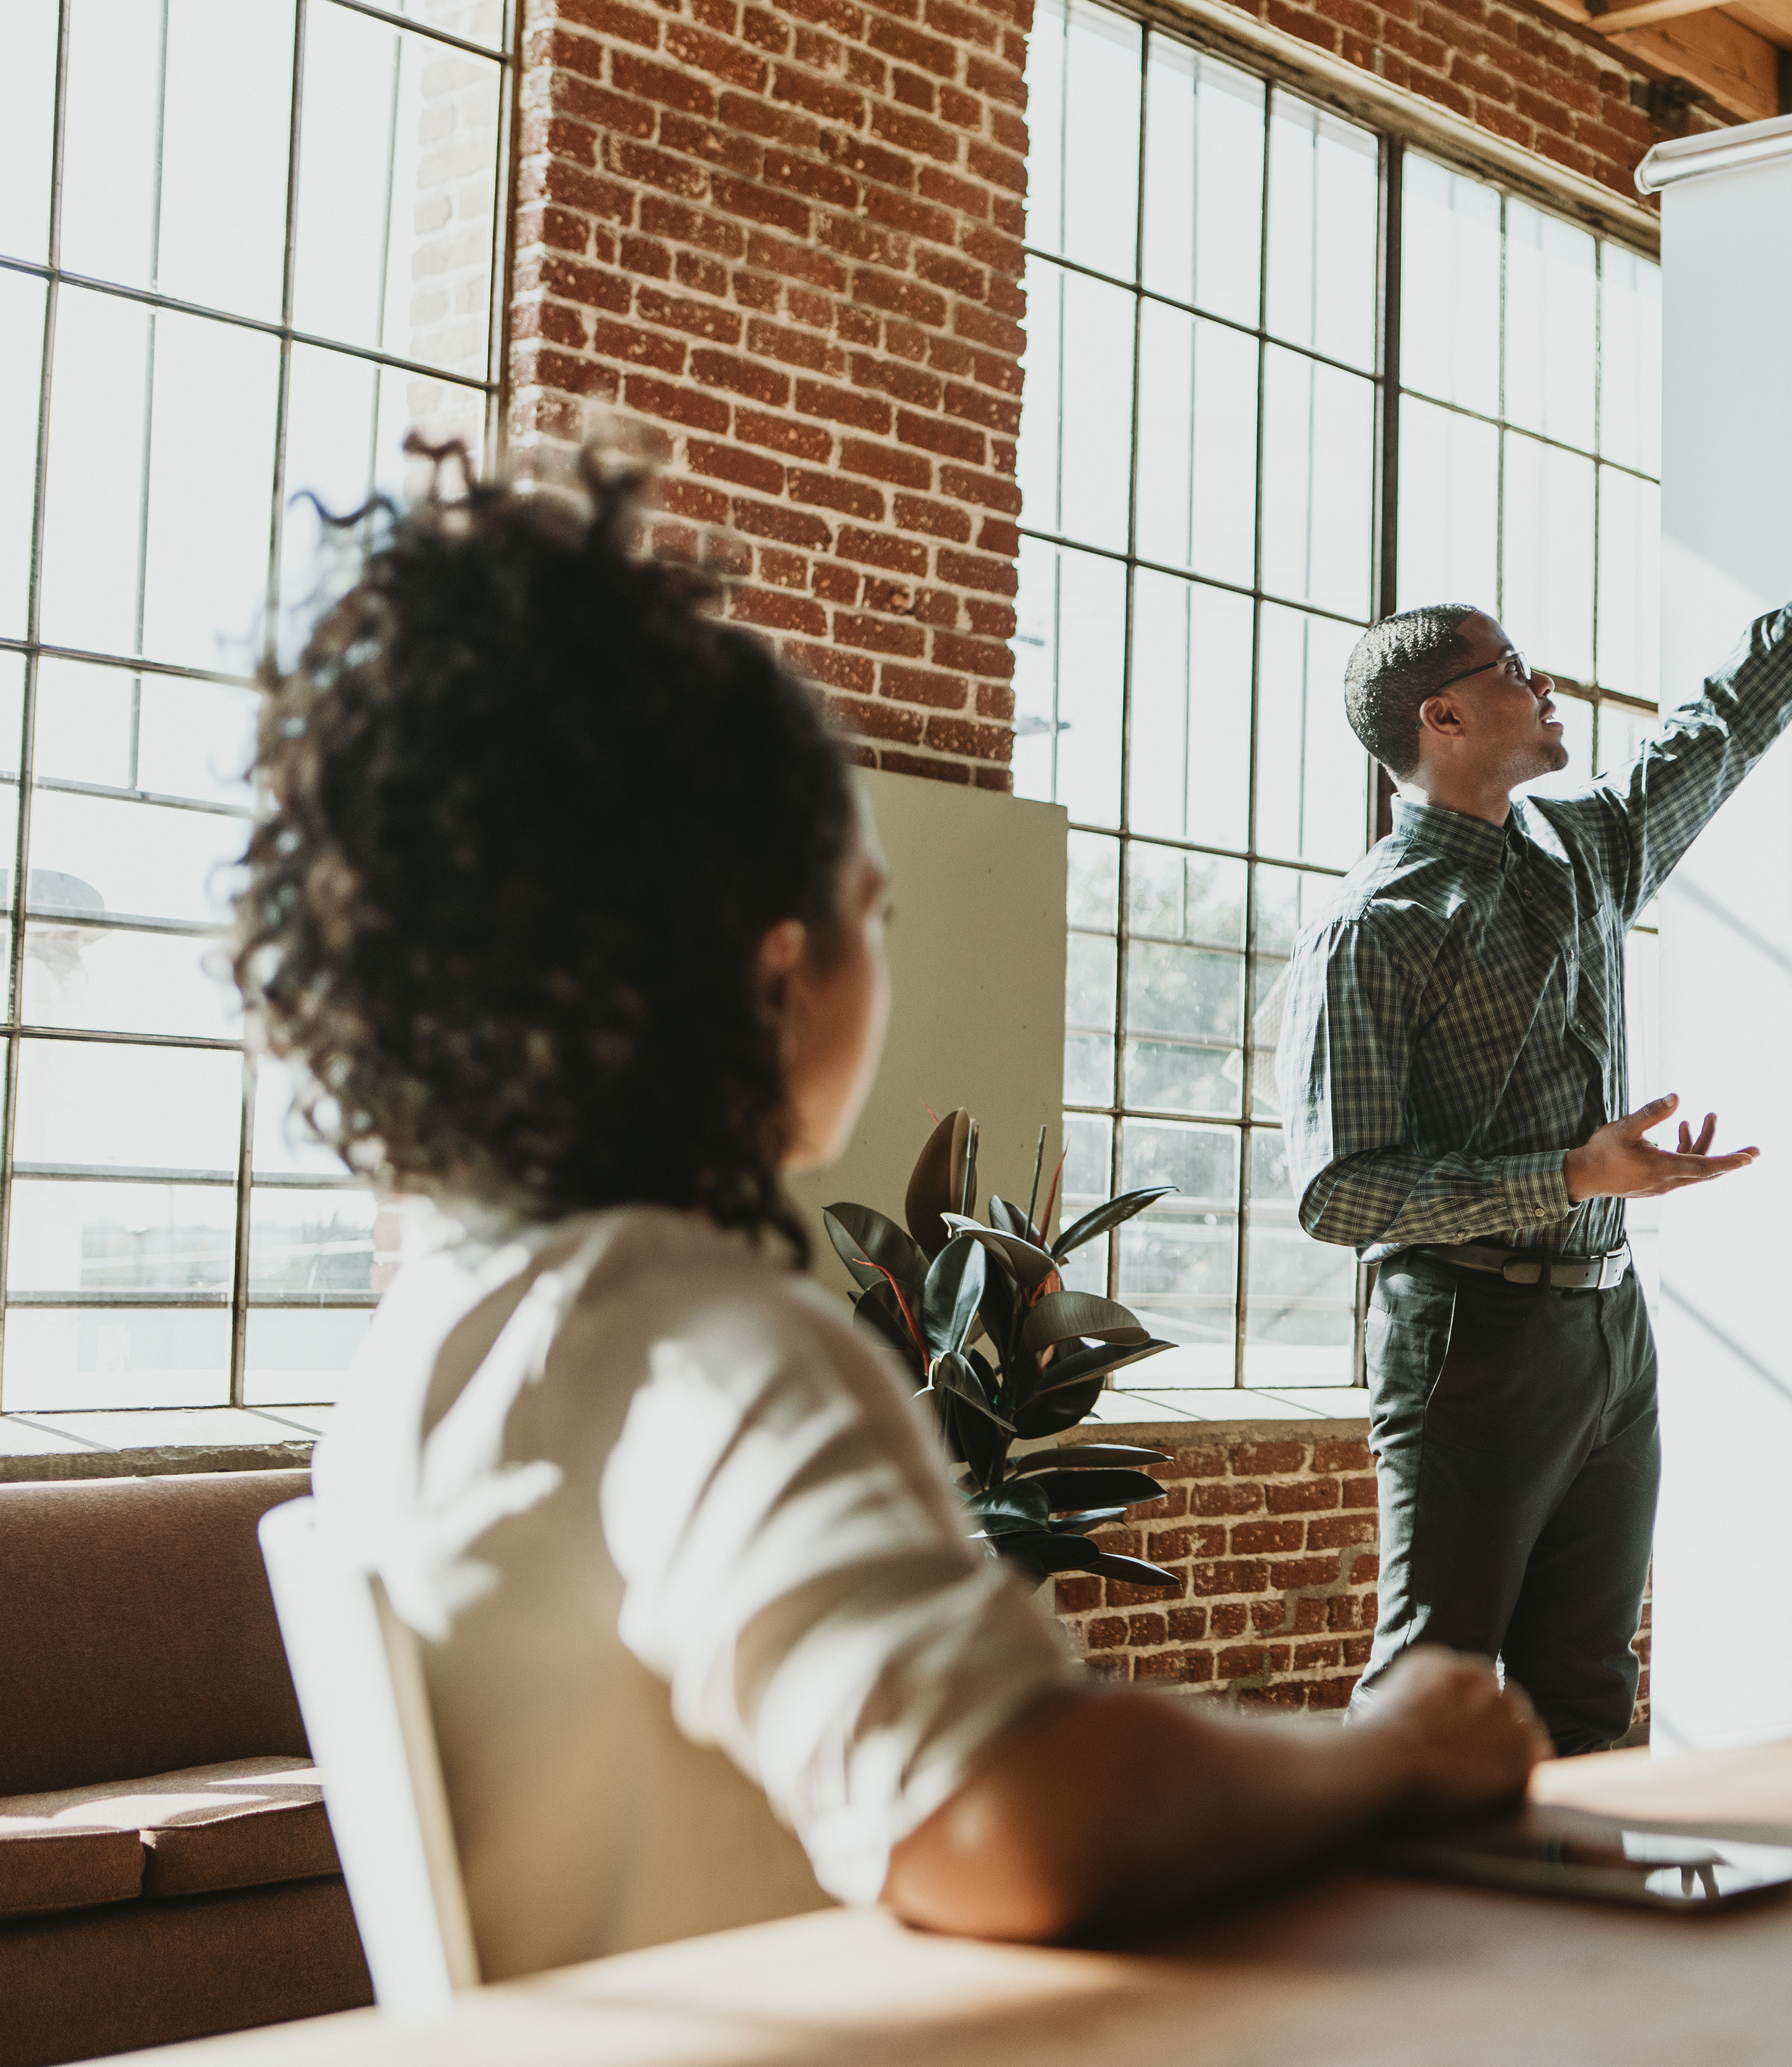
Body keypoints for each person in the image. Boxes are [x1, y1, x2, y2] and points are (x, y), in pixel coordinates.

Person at [236, 456, 1543, 1982]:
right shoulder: (706, 1348)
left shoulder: (430, 1347)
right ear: (780, 968)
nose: (883, 952)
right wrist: (1383, 1751)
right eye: (877, 909)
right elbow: (1007, 1817)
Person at [1275, 448, 1792, 1756]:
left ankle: (1584, 1953)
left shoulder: (1585, 843)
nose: (1543, 685)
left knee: (1590, 1691)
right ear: (1442, 719)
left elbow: (1724, 724)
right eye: (1511, 669)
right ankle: (1391, 1958)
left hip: (1609, 1330)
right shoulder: (1374, 928)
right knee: (1427, 1699)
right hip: (1462, 1344)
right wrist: (1567, 1176)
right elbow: (1335, 1190)